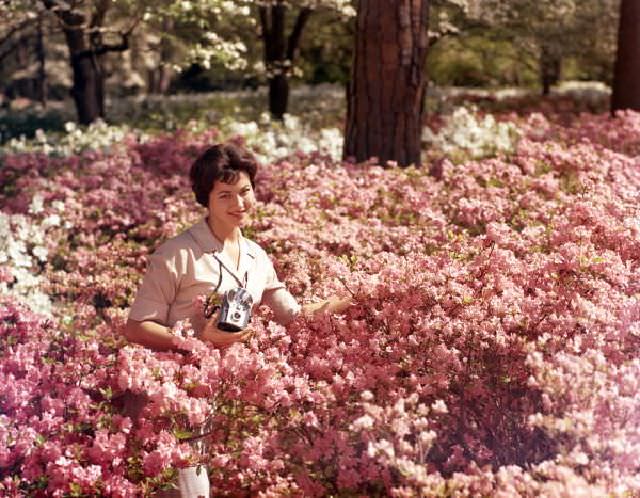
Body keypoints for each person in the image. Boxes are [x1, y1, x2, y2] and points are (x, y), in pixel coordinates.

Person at [123, 143, 350, 497]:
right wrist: (197, 341)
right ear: (206, 199)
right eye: (225, 195)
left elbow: (291, 314)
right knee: (189, 492)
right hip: (172, 393)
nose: (238, 204)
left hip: (222, 393)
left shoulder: (257, 256)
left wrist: (351, 299)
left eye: (245, 192)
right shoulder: (176, 254)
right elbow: (136, 327)